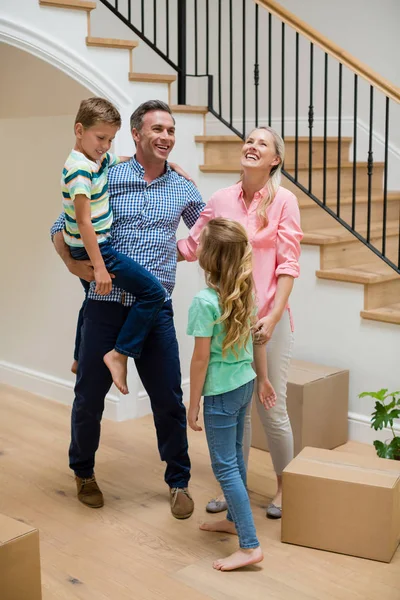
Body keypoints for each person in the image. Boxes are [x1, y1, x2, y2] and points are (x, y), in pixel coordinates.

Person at [51, 100, 205, 516]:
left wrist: (187, 251)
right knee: (88, 400)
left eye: (171, 131)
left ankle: (178, 481)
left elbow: (208, 230)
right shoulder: (108, 173)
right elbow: (61, 225)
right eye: (157, 129)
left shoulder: (183, 187)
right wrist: (72, 263)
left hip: (155, 313)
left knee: (169, 399)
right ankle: (83, 471)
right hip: (105, 305)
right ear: (136, 135)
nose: (166, 137)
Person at [178, 126, 303, 519]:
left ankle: (285, 487)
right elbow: (192, 245)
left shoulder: (284, 201)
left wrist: (273, 315)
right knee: (236, 410)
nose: (251, 146)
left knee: (272, 408)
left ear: (275, 160)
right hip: (227, 322)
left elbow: (289, 265)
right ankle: (236, 488)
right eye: (248, 140)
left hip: (268, 320)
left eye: (261, 143)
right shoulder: (219, 199)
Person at [187, 218, 276, 571]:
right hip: (244, 384)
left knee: (224, 468)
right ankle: (238, 523)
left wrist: (192, 403)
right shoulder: (245, 291)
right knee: (236, 461)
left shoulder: (204, 301)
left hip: (222, 393)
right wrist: (263, 378)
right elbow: (254, 342)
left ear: (208, 257)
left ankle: (250, 545)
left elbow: (200, 359)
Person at [63, 97, 166, 395]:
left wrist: (169, 165)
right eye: (101, 138)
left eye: (110, 139)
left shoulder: (93, 160)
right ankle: (120, 353)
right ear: (79, 130)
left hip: (88, 249)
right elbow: (84, 223)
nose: (106, 146)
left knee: (89, 301)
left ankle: (78, 357)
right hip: (98, 250)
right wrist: (99, 266)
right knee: (153, 292)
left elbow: (116, 160)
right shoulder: (79, 171)